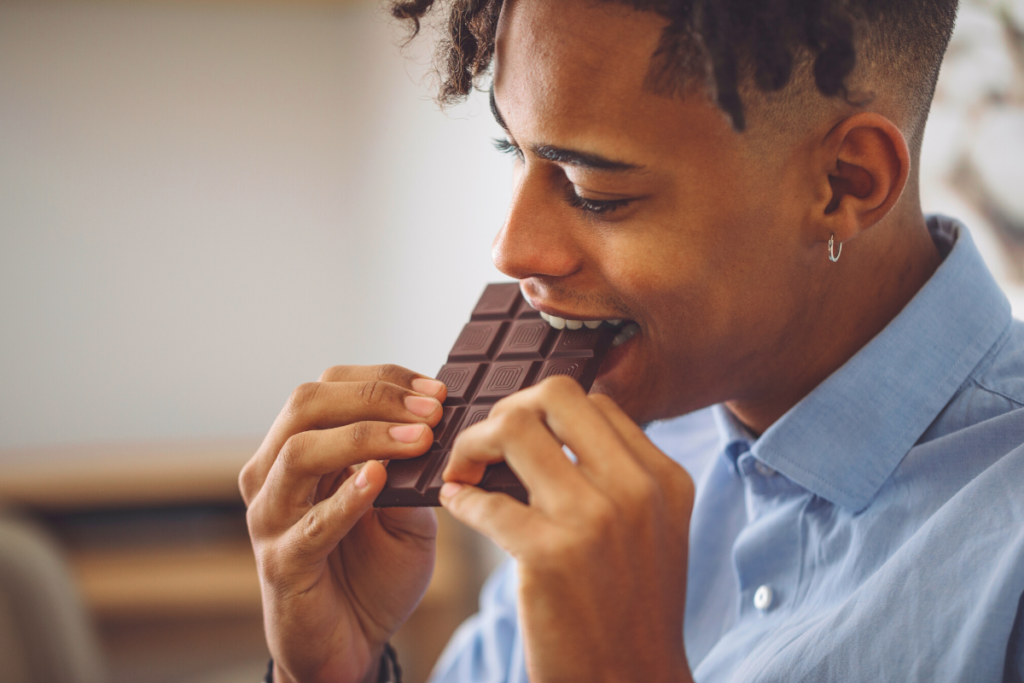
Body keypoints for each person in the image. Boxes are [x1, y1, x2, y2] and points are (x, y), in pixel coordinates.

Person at [238, 0, 1024, 681]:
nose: (511, 250)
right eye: (515, 151)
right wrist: (339, 670)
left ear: (844, 183)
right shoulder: (590, 448)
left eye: (595, 192)